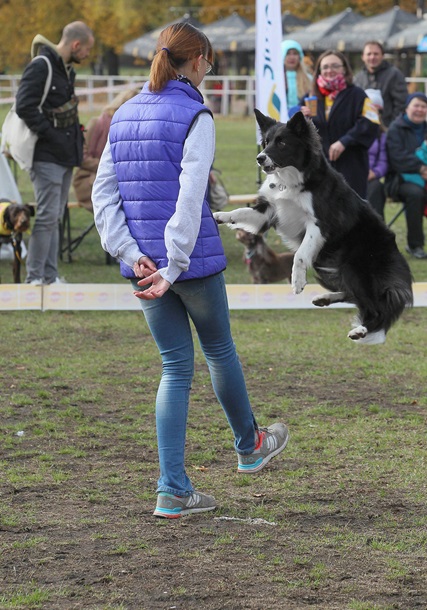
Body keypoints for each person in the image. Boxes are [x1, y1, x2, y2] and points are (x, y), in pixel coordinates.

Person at [91, 23, 289, 519]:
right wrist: (174, 264)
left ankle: (173, 489)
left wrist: (129, 252)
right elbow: (189, 195)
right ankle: (250, 446)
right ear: (197, 59)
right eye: (211, 59)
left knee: (174, 369)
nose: (213, 67)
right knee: (219, 350)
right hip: (188, 263)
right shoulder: (197, 115)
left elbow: (103, 196)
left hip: (143, 266)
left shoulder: (122, 114)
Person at [15, 21, 94, 285]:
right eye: (86, 50)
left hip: (63, 156)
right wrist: (51, 134)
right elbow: (24, 105)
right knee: (48, 216)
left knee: (54, 217)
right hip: (45, 155)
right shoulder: (42, 66)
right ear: (75, 44)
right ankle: (35, 277)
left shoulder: (66, 70)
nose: (87, 55)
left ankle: (49, 276)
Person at [300, 49, 379, 198]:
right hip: (319, 168)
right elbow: (295, 127)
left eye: (335, 66)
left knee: (351, 214)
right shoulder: (311, 97)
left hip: (351, 166)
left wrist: (345, 141)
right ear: (319, 71)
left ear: (344, 69)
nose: (330, 70)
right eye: (325, 67)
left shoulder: (358, 95)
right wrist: (301, 117)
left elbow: (370, 122)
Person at [72, 88, 139, 212]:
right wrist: (108, 167)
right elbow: (82, 156)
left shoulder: (132, 129)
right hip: (89, 179)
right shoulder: (97, 123)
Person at [386, 92, 427, 259]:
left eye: (423, 107)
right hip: (399, 180)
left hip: (422, 177)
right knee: (416, 193)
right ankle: (415, 245)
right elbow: (397, 158)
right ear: (407, 108)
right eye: (416, 105)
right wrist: (422, 169)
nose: (419, 110)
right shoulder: (396, 128)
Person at [354, 41, 408, 128]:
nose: (372, 57)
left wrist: (391, 127)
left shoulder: (394, 74)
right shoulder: (358, 77)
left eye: (376, 54)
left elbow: (401, 104)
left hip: (387, 129)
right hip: (363, 129)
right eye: (369, 54)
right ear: (363, 57)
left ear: (382, 56)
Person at [365, 89, 388, 219]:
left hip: (372, 177)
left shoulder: (381, 135)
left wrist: (375, 173)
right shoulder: (351, 131)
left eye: (376, 111)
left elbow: (384, 161)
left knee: (376, 188)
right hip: (353, 174)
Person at [281, 39, 312, 112]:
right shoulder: (275, 79)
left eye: (295, 53)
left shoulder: (309, 79)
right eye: (288, 53)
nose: (292, 57)